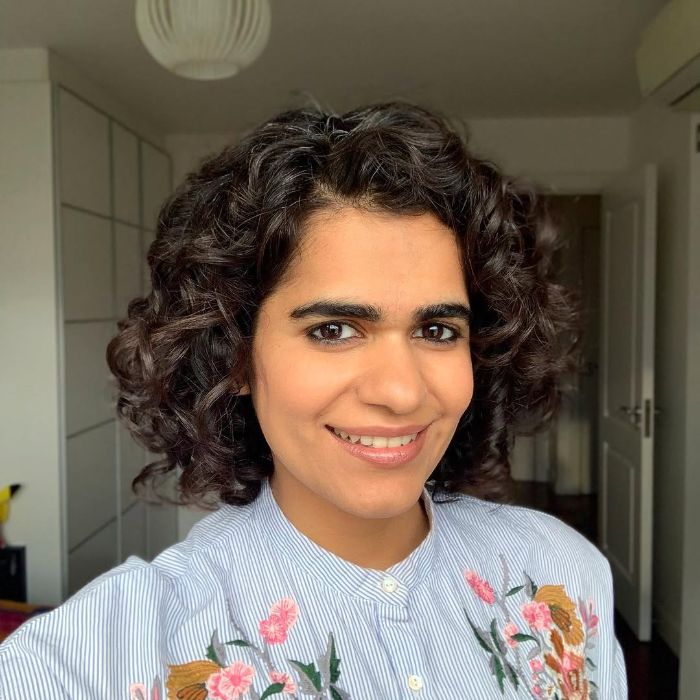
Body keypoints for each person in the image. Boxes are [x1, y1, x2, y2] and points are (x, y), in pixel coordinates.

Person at [0, 102, 626, 699]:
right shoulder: (90, 662)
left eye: (437, 331)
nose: (401, 392)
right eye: (333, 330)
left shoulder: (561, 575)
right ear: (236, 355)